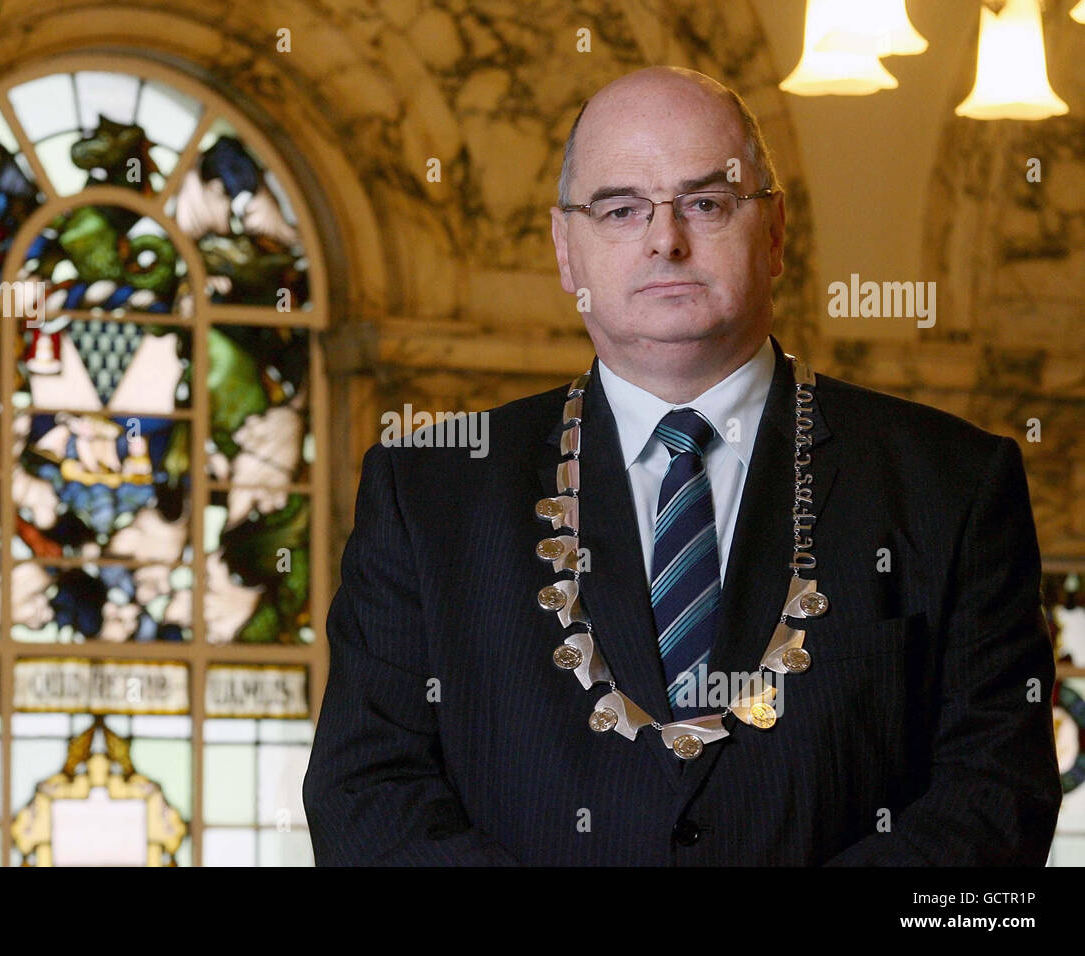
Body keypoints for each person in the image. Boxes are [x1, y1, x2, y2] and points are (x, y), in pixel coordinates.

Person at [302, 66, 1061, 865]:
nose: (665, 239)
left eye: (706, 202)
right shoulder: (429, 490)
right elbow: (366, 794)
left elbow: (994, 797)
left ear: (774, 234)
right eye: (620, 208)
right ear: (567, 249)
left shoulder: (952, 484)